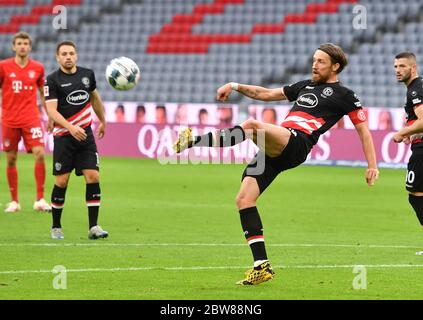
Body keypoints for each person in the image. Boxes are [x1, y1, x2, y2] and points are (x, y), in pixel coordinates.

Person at [174, 43, 379, 285]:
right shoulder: (304, 86)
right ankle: (261, 266)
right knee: (244, 200)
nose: (314, 64)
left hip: (297, 143)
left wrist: (372, 165)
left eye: (321, 61)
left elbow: (363, 131)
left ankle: (193, 140)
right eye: (314, 59)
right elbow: (265, 94)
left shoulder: (346, 96)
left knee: (251, 126)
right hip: (276, 146)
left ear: (335, 66)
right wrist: (234, 86)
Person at [44, 41, 108, 240]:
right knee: (62, 181)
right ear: (57, 57)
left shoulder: (87, 75)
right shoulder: (52, 80)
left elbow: (94, 98)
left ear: (76, 55)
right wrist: (71, 128)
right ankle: (56, 227)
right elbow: (51, 110)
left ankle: (94, 227)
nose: (68, 57)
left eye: (71, 53)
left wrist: (103, 120)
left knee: (93, 176)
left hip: (85, 136)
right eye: (64, 54)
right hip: (64, 137)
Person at [0, 32, 52, 213]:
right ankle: (14, 201)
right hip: (9, 119)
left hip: (31, 119)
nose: (22, 46)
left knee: (40, 153)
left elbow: (43, 94)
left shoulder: (38, 68)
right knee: (11, 159)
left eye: (25, 43)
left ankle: (40, 199)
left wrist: (50, 116)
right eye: (19, 43)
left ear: (30, 47)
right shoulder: (3, 66)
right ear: (14, 46)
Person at [392, 52, 423, 255]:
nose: (397, 70)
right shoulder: (416, 88)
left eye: (402, 66)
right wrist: (410, 132)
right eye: (395, 67)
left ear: (413, 68)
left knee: (416, 194)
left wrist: (401, 132)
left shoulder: (416, 89)